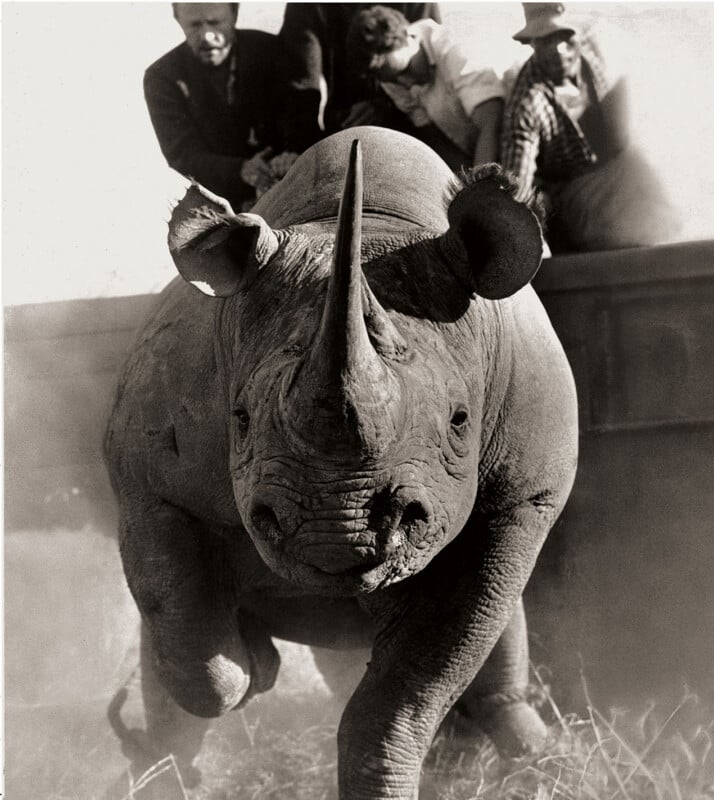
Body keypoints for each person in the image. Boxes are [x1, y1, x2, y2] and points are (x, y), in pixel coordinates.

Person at [501, 2, 679, 252]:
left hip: (622, 169)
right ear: (531, 45)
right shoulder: (527, 102)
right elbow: (518, 181)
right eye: (544, 42)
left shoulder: (602, 49)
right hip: (573, 190)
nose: (558, 50)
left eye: (563, 37)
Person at [144, 3, 295, 211]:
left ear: (234, 14)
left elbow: (300, 112)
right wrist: (240, 171)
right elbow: (183, 154)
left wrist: (292, 155)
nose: (206, 36)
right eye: (194, 25)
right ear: (178, 19)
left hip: (291, 189)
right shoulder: (162, 76)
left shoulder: (271, 50)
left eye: (215, 22)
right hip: (224, 207)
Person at [346, 6, 505, 170]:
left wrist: (480, 185)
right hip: (483, 156)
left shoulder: (456, 50)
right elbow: (435, 139)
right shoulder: (391, 77)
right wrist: (464, 185)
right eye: (394, 80)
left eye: (407, 70)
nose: (407, 84)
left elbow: (491, 123)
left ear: (411, 37)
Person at [278, 3, 441, 154]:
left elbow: (435, 69)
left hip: (407, 122)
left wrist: (383, 106)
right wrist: (298, 151)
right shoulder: (305, 6)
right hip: (343, 125)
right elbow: (303, 81)